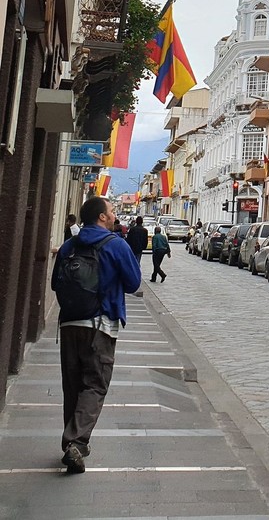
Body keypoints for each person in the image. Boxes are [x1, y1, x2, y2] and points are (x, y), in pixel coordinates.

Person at [51, 196, 141, 474]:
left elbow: (56, 283)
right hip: (100, 324)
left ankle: (72, 446)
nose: (115, 215)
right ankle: (75, 443)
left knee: (73, 385)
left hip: (68, 324)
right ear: (102, 217)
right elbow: (133, 282)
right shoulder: (115, 245)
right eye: (112, 211)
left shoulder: (69, 245)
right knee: (94, 384)